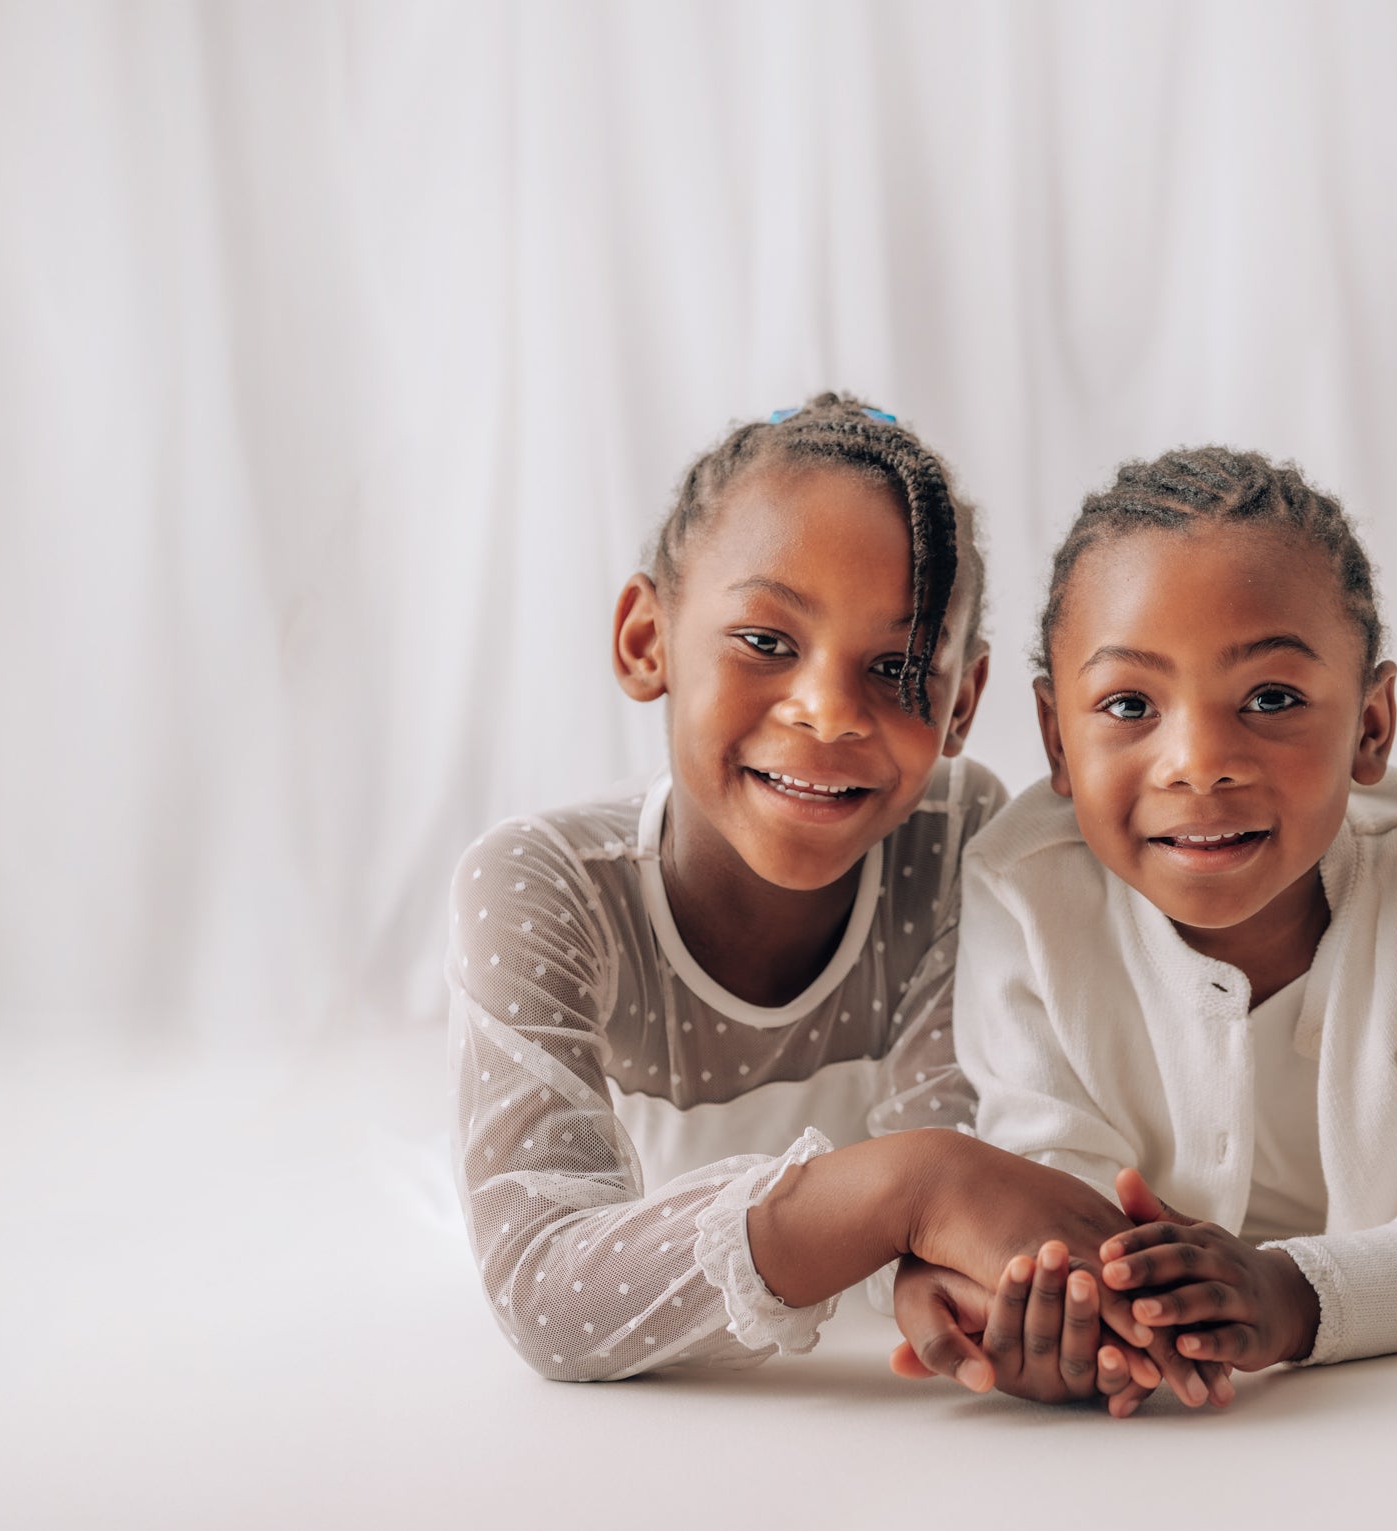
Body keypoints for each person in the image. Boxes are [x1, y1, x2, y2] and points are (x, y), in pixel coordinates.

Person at [447, 396, 1214, 1413]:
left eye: (897, 669)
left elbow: (956, 1191)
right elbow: (548, 1293)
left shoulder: (952, 842)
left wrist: (998, 1299)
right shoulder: (541, 888)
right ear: (647, 640)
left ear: (960, 703)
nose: (829, 710)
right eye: (766, 638)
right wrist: (916, 1189)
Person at [945, 446, 1397, 1382]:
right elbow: (1053, 1187)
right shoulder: (1023, 887)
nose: (1198, 761)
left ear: (1370, 725)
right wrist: (1090, 1316)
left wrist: (1292, 1296)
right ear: (1056, 737)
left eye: (1271, 698)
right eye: (1129, 703)